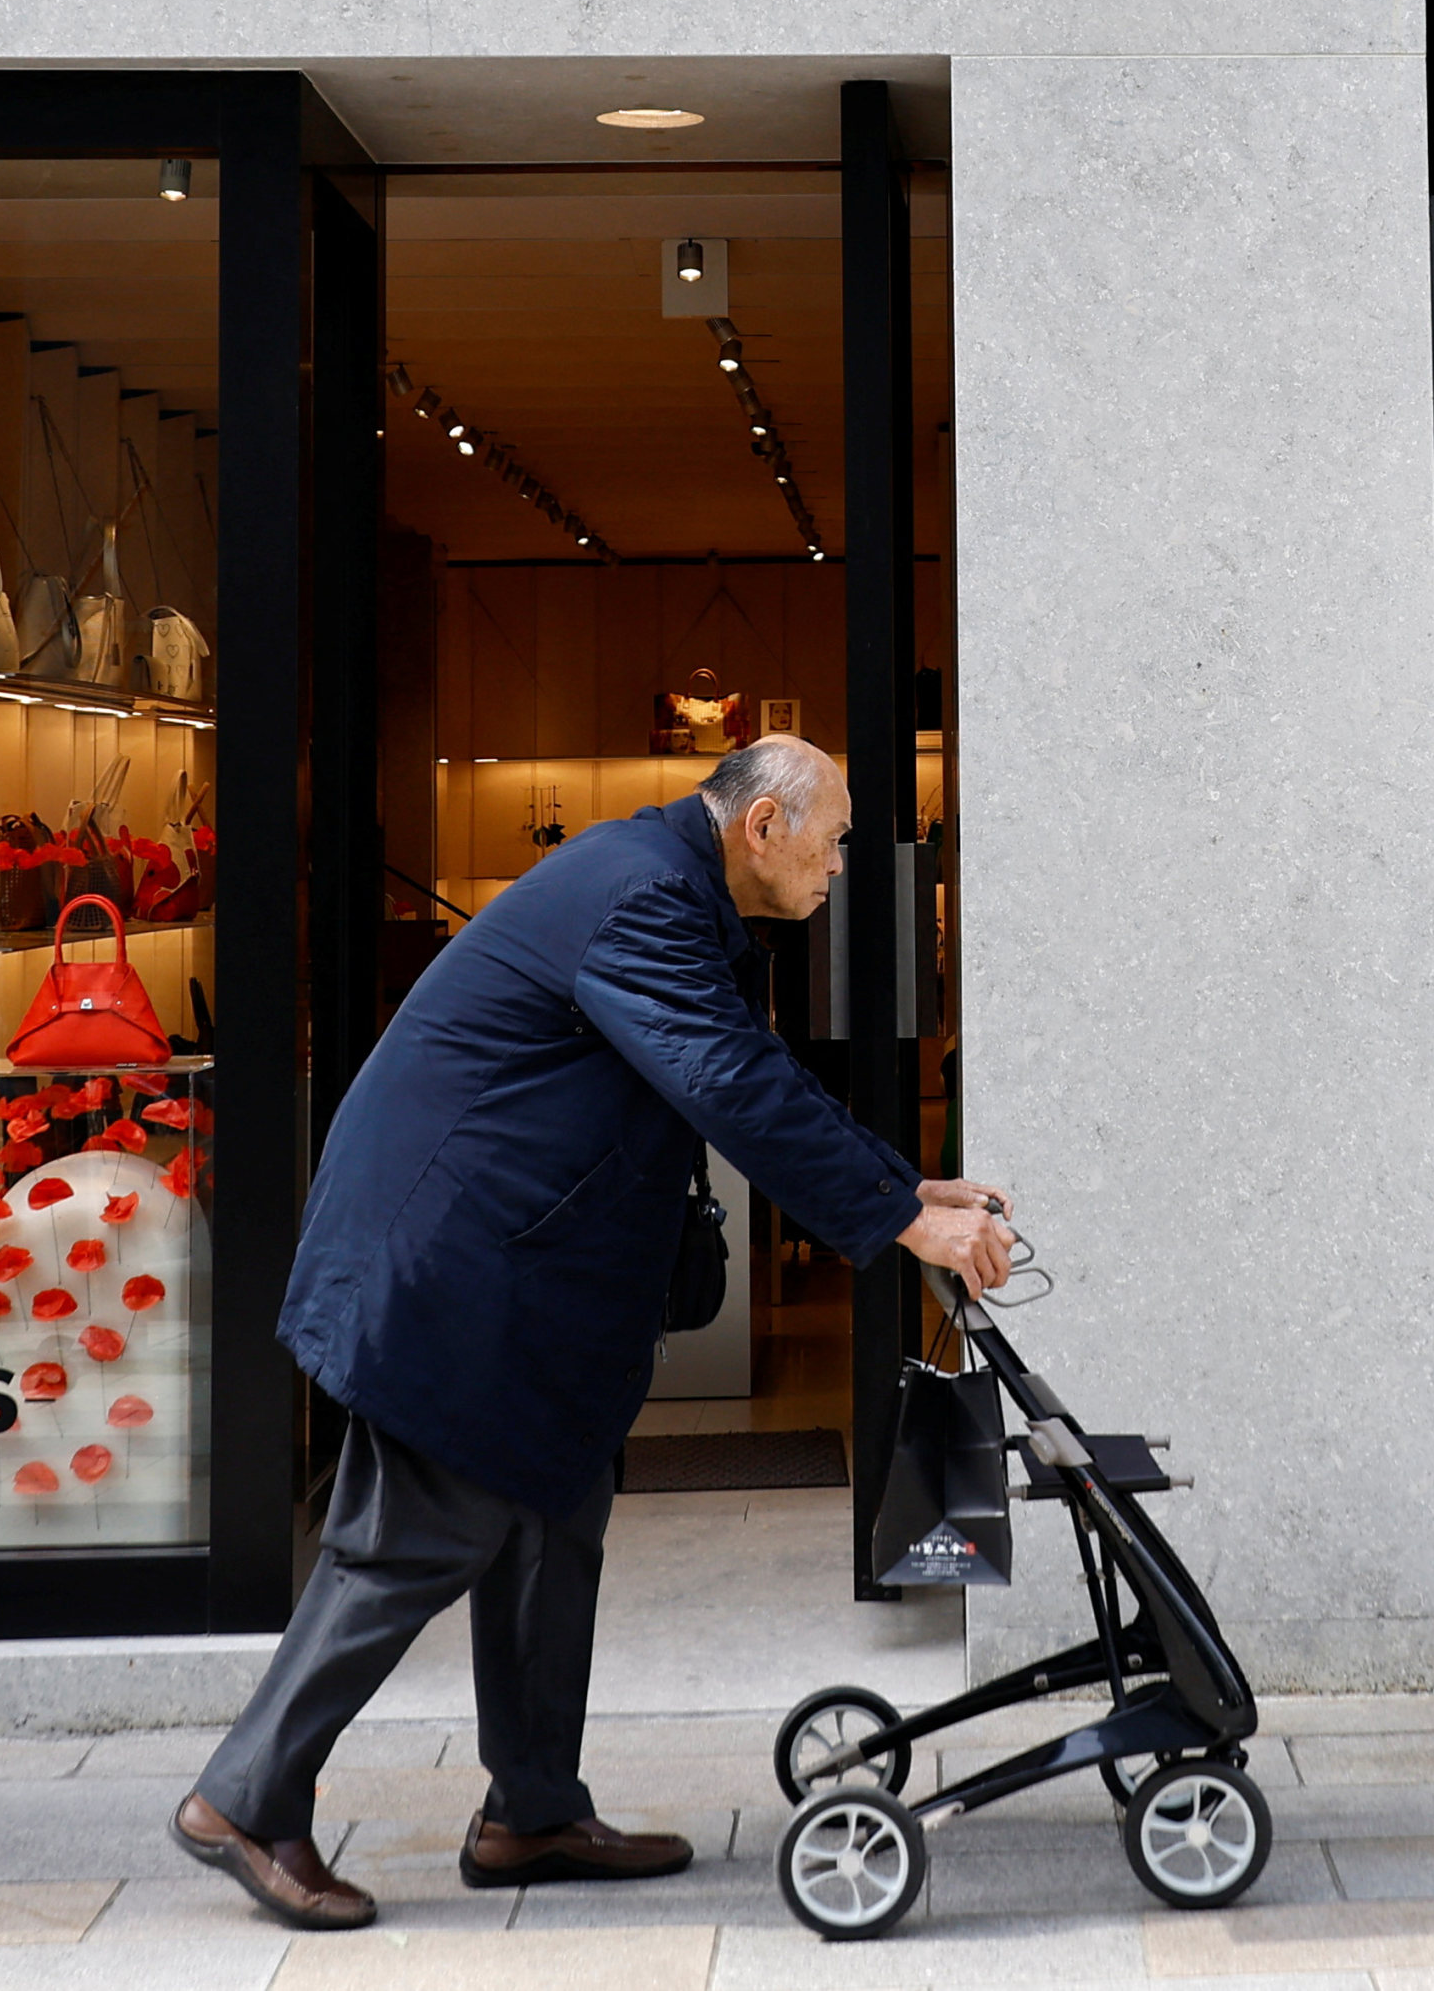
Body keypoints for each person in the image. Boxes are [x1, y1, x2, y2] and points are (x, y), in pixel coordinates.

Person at [168, 733, 1014, 1930]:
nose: (838, 868)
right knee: (415, 1535)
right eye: (829, 842)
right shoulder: (640, 898)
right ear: (761, 826)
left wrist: (909, 1190)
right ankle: (243, 1796)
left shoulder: (674, 892)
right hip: (447, 1271)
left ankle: (533, 1811)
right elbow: (722, 1077)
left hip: (514, 1274)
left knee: (555, 1520)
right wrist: (895, 1219)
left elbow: (755, 1072)